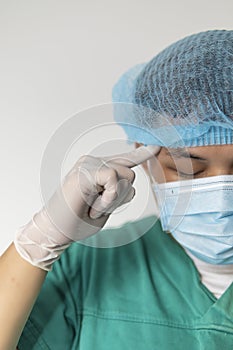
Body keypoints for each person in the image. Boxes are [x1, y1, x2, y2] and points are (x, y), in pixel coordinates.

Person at [1, 29, 233, 349]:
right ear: (143, 151)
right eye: (189, 168)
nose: (222, 197)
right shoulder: (88, 269)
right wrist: (39, 241)